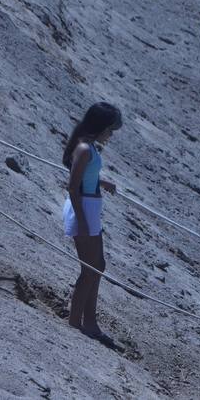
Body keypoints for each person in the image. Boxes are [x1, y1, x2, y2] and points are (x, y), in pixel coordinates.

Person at [62, 102, 121, 340]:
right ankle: (77, 322)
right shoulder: (84, 148)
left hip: (91, 207)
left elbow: (86, 177)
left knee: (98, 266)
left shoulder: (90, 148)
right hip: (83, 208)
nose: (111, 134)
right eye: (110, 129)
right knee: (90, 269)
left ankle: (89, 320)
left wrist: (101, 182)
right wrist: (83, 221)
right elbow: (73, 187)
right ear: (101, 126)